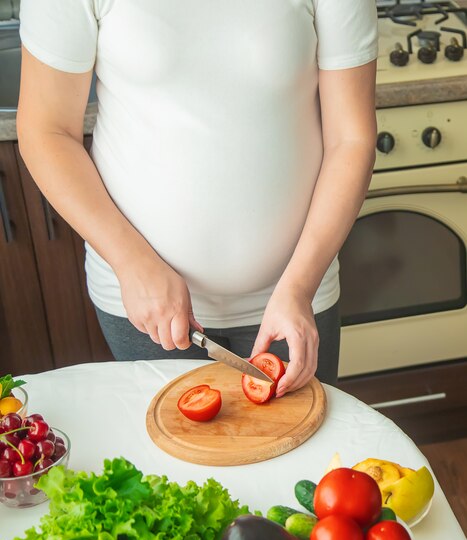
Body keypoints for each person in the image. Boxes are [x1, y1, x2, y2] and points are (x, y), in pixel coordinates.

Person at [17, 0, 378, 396]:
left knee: (307, 452)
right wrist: (131, 263)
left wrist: (299, 288)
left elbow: (351, 139)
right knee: (166, 456)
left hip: (296, 296)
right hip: (146, 302)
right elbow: (46, 130)